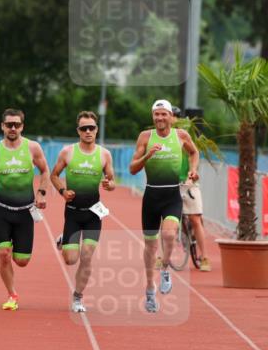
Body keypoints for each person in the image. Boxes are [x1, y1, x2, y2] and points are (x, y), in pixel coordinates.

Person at [0, 108, 51, 311]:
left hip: (26, 211)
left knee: (22, 260)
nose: (13, 128)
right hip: (1, 210)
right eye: (9, 124)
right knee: (3, 253)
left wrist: (42, 193)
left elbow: (45, 171)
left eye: (17, 124)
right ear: (2, 126)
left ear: (22, 126)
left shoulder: (32, 148)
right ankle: (12, 294)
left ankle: (16, 272)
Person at [129, 99, 199, 313]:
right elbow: (132, 168)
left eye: (163, 114)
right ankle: (150, 289)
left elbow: (194, 153)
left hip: (172, 195)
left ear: (170, 116)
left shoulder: (181, 136)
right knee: (150, 245)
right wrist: (148, 155)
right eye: (156, 114)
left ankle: (165, 267)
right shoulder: (145, 137)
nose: (160, 118)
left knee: (169, 235)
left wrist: (193, 170)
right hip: (151, 197)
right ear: (153, 116)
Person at [50, 111, 116, 313]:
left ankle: (78, 297)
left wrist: (108, 184)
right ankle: (64, 240)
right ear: (78, 131)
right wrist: (63, 191)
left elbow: (111, 181)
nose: (88, 131)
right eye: (84, 128)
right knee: (71, 259)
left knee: (87, 256)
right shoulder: (67, 152)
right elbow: (54, 175)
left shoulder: (104, 154)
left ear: (96, 130)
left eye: (92, 128)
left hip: (93, 214)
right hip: (72, 212)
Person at [172, 107, 212, 272]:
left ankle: (204, 257)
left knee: (195, 219)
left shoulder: (184, 135)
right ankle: (163, 254)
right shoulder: (159, 137)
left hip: (188, 182)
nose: (172, 119)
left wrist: (192, 174)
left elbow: (194, 154)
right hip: (170, 184)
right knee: (166, 220)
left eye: (175, 116)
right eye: (170, 115)